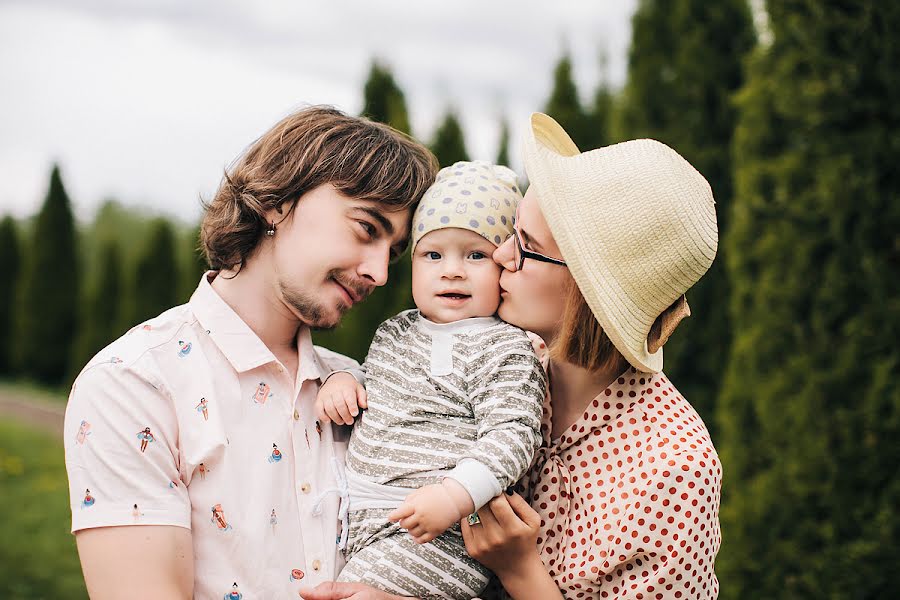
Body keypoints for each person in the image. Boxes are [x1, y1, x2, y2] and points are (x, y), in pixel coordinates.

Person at [62, 105, 438, 599]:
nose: (380, 272)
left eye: (392, 251)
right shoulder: (133, 383)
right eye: (367, 228)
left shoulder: (364, 388)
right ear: (278, 202)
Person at [456, 113, 723, 599]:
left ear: (587, 290)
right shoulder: (502, 363)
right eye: (513, 233)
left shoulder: (673, 468)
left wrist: (520, 570)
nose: (500, 257)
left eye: (527, 247)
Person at [315, 161, 546, 600]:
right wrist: (344, 380)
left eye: (476, 255)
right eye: (433, 254)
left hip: (439, 537)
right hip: (363, 522)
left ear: (504, 265)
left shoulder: (505, 346)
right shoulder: (396, 331)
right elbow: (378, 387)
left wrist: (455, 496)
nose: (452, 270)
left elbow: (514, 435)